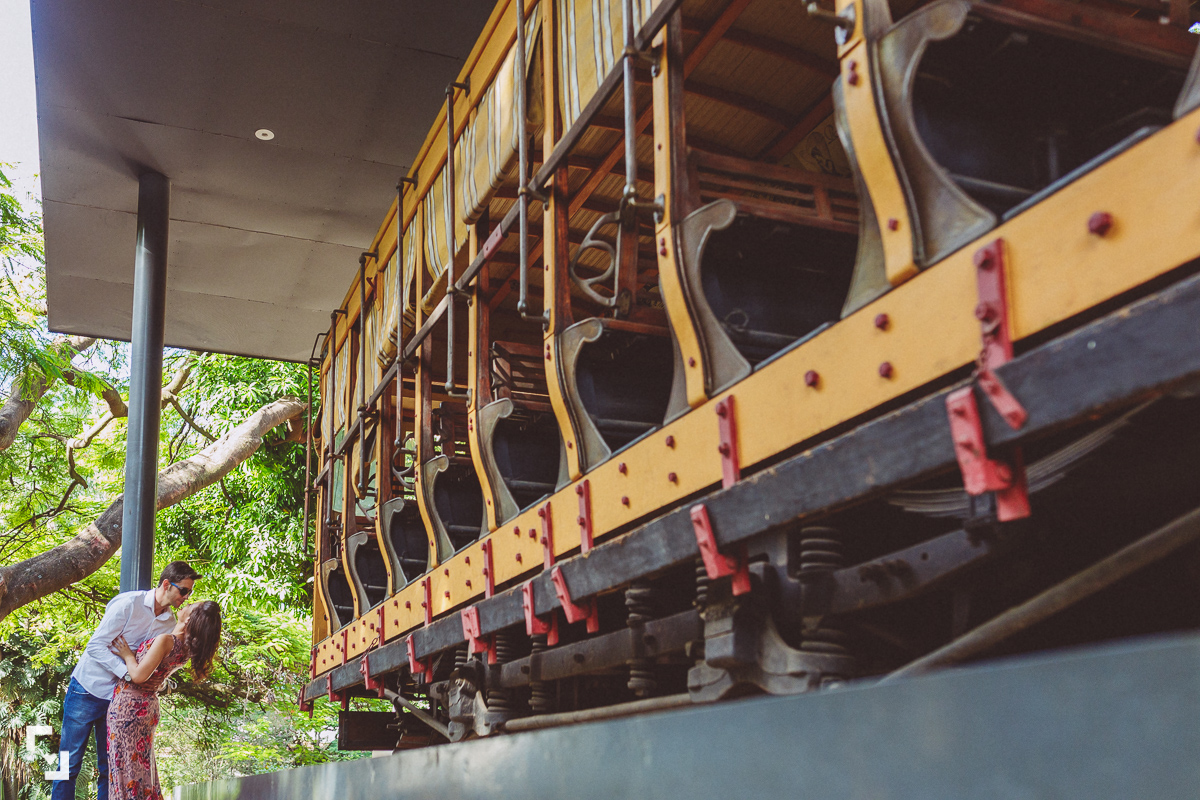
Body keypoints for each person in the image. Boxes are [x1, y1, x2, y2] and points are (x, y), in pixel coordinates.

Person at [51, 561, 200, 800]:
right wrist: (128, 673)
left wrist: (151, 680)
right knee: (67, 765)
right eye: (184, 590)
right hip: (87, 690)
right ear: (166, 584)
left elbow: (153, 664)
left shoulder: (170, 624)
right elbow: (96, 646)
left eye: (190, 592)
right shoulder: (128, 604)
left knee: (108, 768)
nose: (187, 596)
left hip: (119, 703)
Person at [106, 599, 221, 800]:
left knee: (126, 770)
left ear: (190, 619)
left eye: (190, 606)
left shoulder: (167, 641)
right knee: (139, 770)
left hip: (129, 709)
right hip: (145, 708)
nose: (184, 606)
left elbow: (139, 676)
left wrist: (127, 655)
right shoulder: (185, 649)